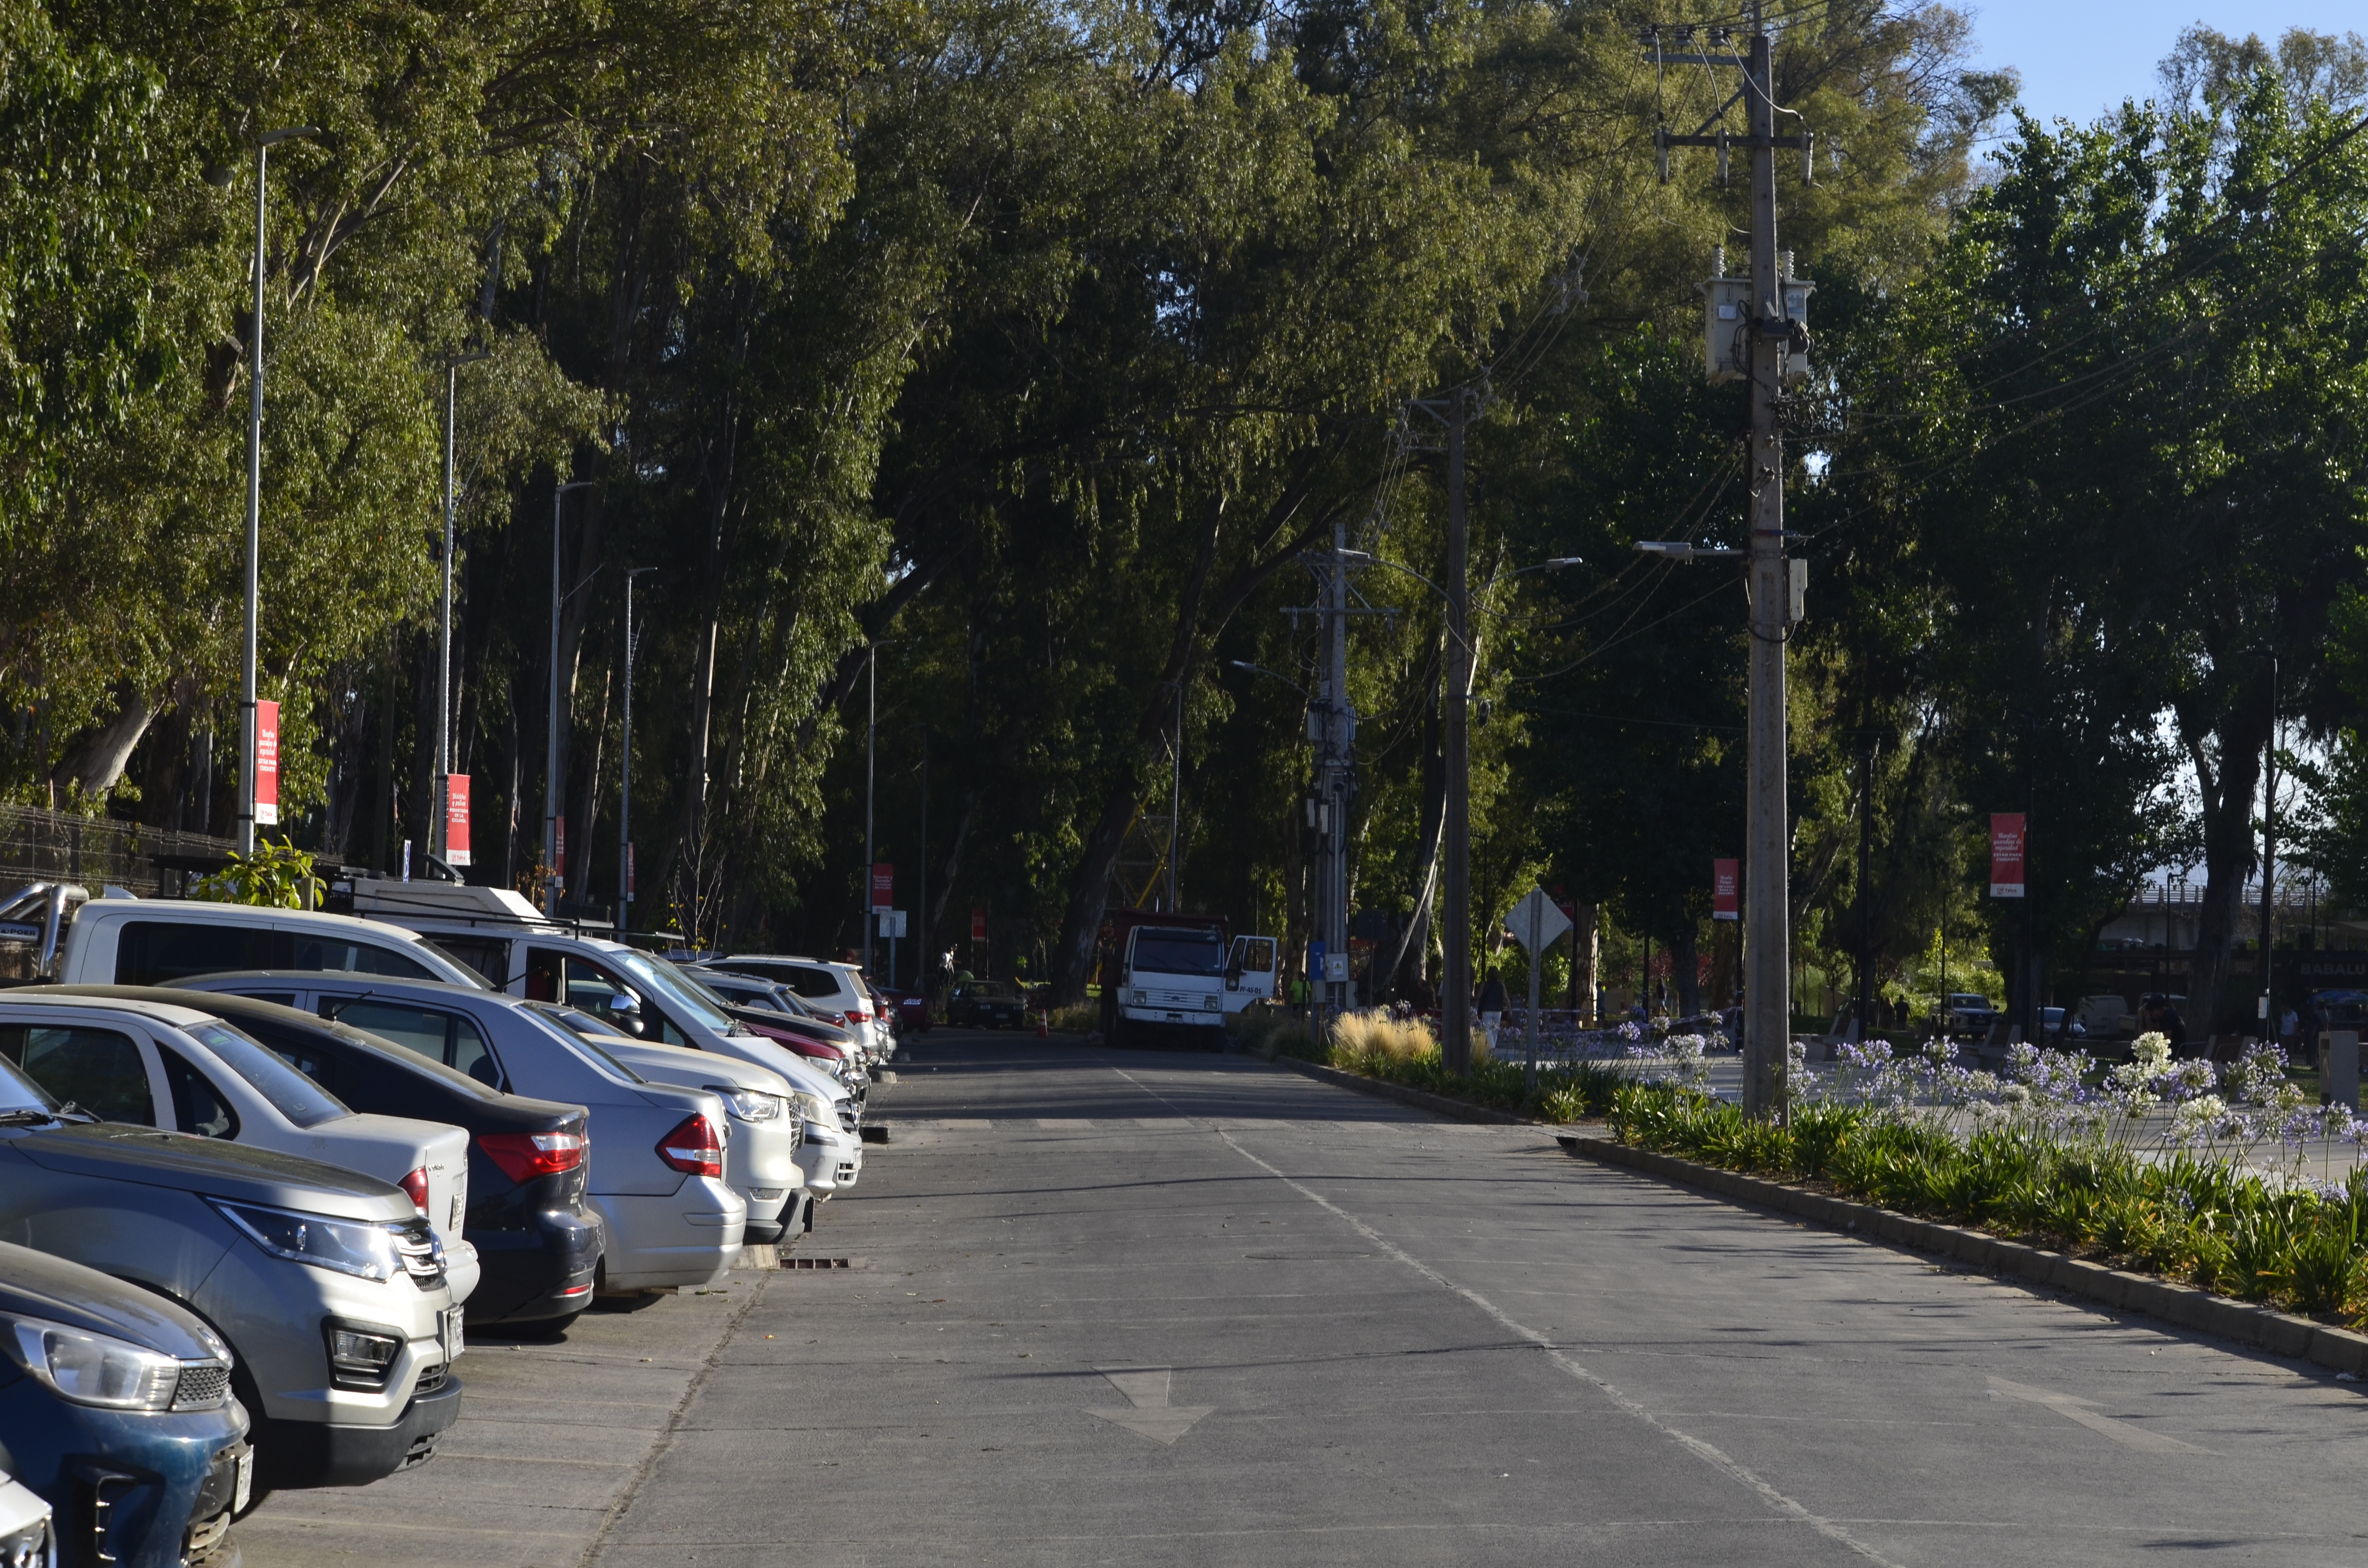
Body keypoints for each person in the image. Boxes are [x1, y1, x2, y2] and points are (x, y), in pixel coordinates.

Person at [1476, 967, 1508, 1056]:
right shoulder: (1501, 985)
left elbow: (1479, 996)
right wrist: (1510, 1010)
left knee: (1487, 1029)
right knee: (1495, 1031)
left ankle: (1492, 1049)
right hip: (1498, 1011)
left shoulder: (1484, 985)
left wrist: (1471, 999)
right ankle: (1492, 1050)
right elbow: (1506, 998)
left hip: (1487, 1010)